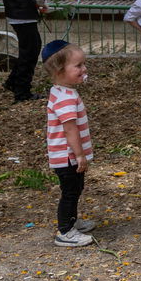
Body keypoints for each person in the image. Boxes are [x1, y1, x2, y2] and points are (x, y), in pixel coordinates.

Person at [43, 40, 97, 248]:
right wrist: (79, 155)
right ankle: (65, 231)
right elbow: (70, 129)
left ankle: (72, 222)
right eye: (78, 66)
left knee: (76, 188)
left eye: (83, 64)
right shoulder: (65, 98)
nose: (84, 69)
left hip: (67, 156)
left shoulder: (62, 91)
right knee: (71, 192)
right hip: (67, 157)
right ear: (59, 70)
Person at [1, 0, 51, 103]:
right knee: (30, 51)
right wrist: (43, 5)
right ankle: (22, 92)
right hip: (24, 17)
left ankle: (12, 82)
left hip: (15, 16)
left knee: (27, 50)